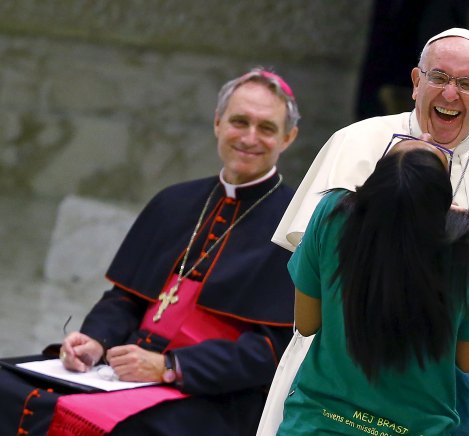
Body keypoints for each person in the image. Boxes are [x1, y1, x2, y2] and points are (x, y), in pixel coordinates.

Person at [258, 28, 469, 435]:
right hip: (332, 390)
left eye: (467, 84)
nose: (450, 94)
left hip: (429, 401)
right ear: (416, 82)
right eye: (438, 77)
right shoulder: (353, 144)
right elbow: (316, 297)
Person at [0, 67, 300, 435]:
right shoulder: (174, 201)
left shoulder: (296, 226)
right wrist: (95, 340)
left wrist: (169, 366)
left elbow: (271, 351)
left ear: (288, 138)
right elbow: (125, 296)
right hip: (123, 371)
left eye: (266, 127)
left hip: (215, 393)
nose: (250, 137)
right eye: (239, 121)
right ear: (218, 123)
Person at [277, 140, 469, 435]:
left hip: (317, 422)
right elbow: (468, 358)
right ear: (442, 201)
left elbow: (306, 323)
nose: (426, 136)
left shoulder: (332, 214)